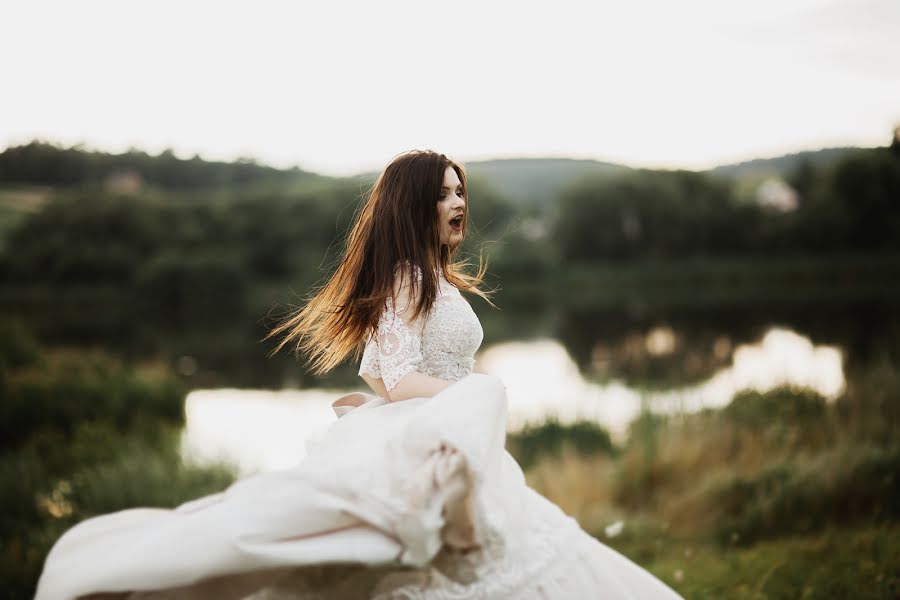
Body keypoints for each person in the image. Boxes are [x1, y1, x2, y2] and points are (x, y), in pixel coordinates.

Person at [35, 150, 684, 599]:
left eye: (461, 190)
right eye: (444, 194)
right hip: (430, 434)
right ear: (412, 207)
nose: (458, 202)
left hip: (449, 441)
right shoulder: (405, 277)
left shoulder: (435, 277)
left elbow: (382, 373)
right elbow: (398, 380)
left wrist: (470, 412)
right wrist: (477, 396)